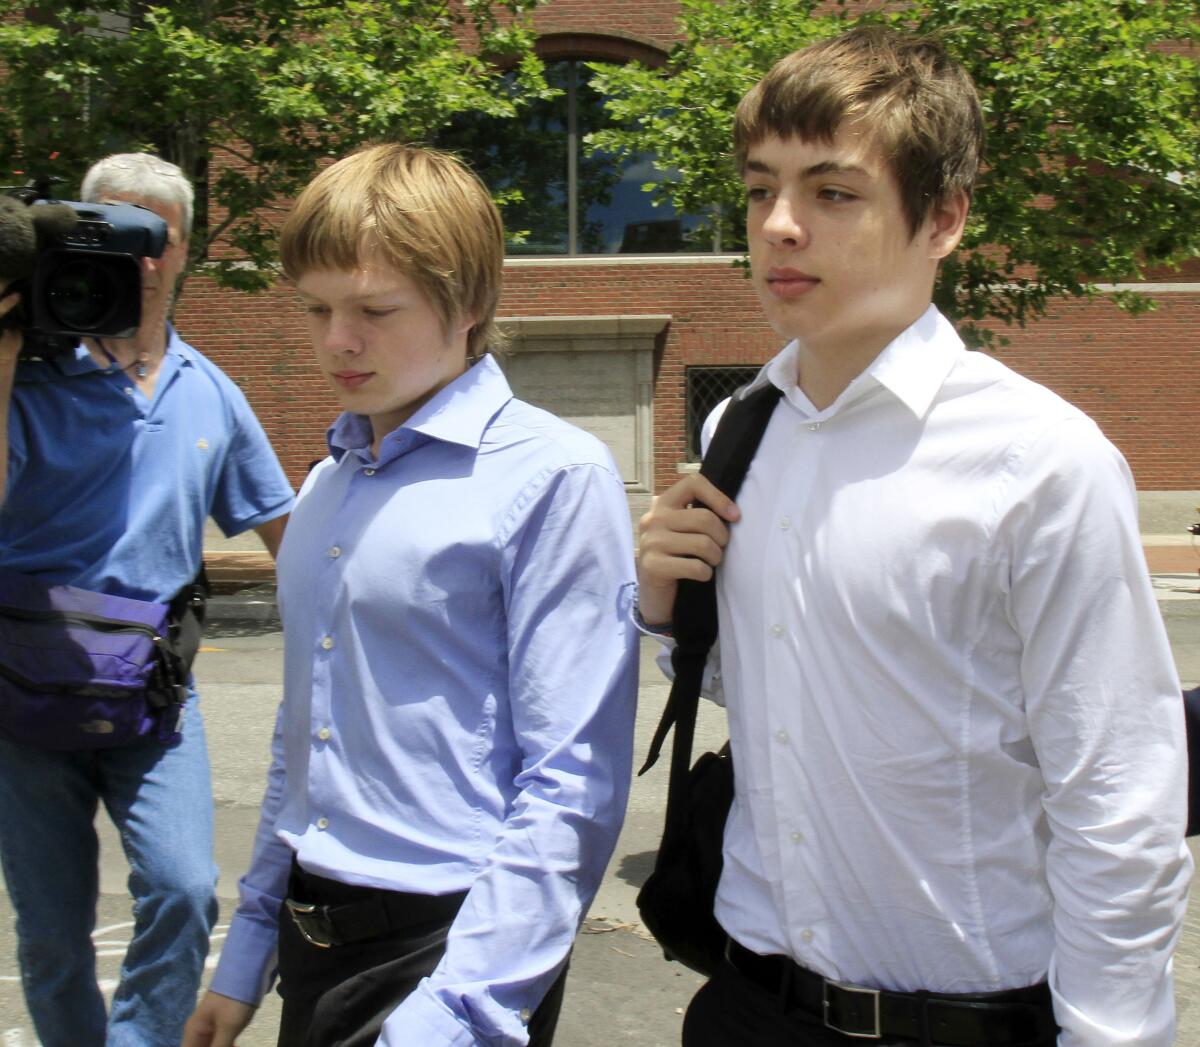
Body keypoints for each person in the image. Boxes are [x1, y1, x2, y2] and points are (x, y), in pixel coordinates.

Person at [636, 26, 1191, 1047]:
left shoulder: (1040, 462)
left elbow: (1119, 797)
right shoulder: (737, 429)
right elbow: (796, 696)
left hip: (961, 1021)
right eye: (761, 191)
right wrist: (670, 616)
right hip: (749, 1005)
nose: (781, 227)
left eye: (832, 193)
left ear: (943, 219)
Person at [183, 143, 638, 1047]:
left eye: (374, 309)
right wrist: (246, 956)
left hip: (448, 949)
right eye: (316, 309)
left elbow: (572, 779)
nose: (336, 341)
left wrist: (454, 1013)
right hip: (313, 941)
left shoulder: (553, 475)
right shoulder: (326, 486)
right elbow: (302, 740)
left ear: (470, 302)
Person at [0, 153, 295, 1046]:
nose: (133, 257)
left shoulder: (209, 389)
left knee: (183, 886)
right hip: (22, 690)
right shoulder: (27, 379)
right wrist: (9, 347)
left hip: (154, 690)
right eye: (103, 229)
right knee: (51, 934)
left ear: (181, 251)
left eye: (151, 234)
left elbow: (291, 537)